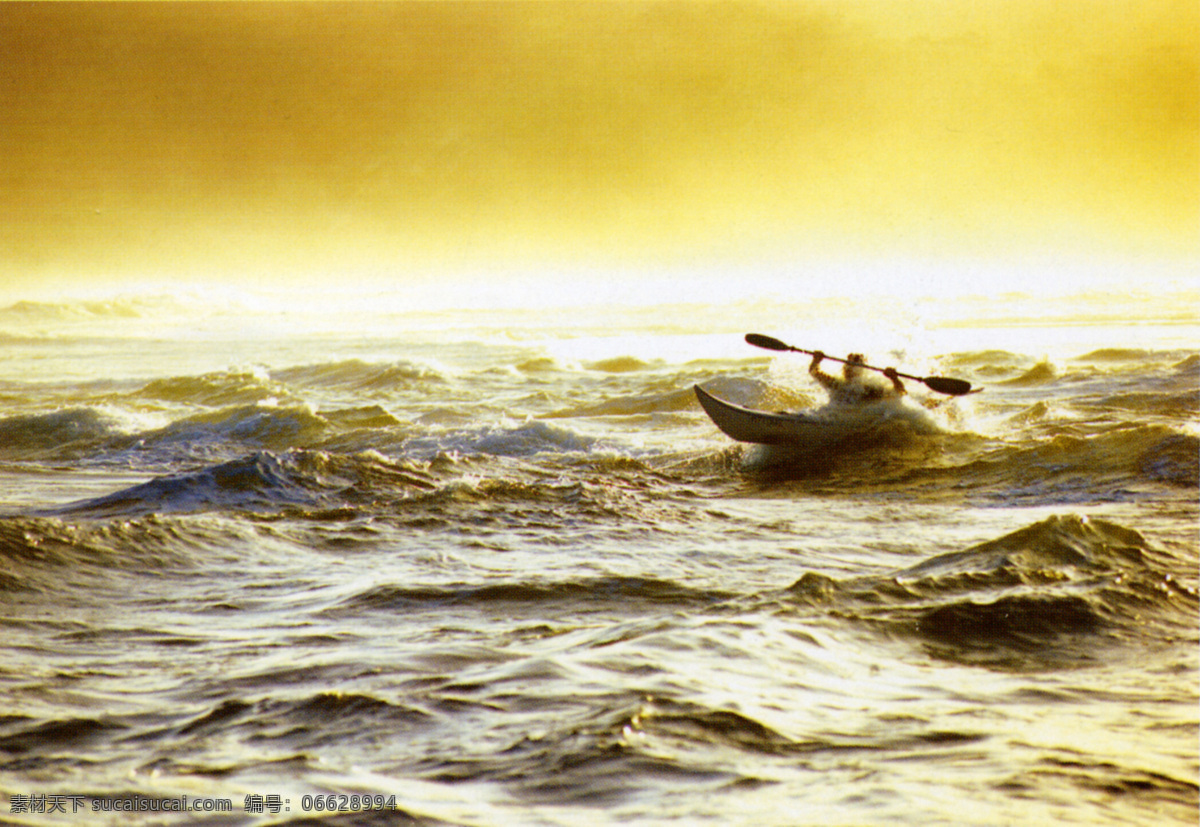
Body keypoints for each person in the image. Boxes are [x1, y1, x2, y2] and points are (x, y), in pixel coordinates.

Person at [809, 351, 905, 405]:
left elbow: (899, 392)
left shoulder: (867, 389)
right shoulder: (836, 383)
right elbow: (814, 372)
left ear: (860, 371)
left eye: (850, 367)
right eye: (846, 365)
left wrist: (893, 378)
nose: (846, 369)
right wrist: (816, 360)